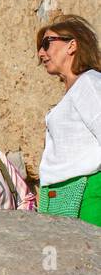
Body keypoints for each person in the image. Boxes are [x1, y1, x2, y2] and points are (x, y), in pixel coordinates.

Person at [35, 14, 101, 226]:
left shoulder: (89, 83)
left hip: (86, 193)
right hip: (65, 194)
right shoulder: (76, 90)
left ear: (72, 45)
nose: (41, 53)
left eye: (47, 43)